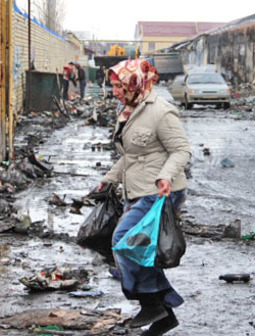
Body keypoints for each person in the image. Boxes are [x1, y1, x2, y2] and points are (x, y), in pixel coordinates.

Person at [98, 59, 191, 336]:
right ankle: (165, 315)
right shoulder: (129, 109)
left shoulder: (161, 111)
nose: (114, 91)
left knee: (125, 242)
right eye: (113, 85)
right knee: (141, 250)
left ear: (135, 83)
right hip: (136, 190)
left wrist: (165, 176)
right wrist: (109, 179)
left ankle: (152, 304)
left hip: (159, 192)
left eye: (118, 85)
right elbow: (132, 155)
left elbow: (182, 150)